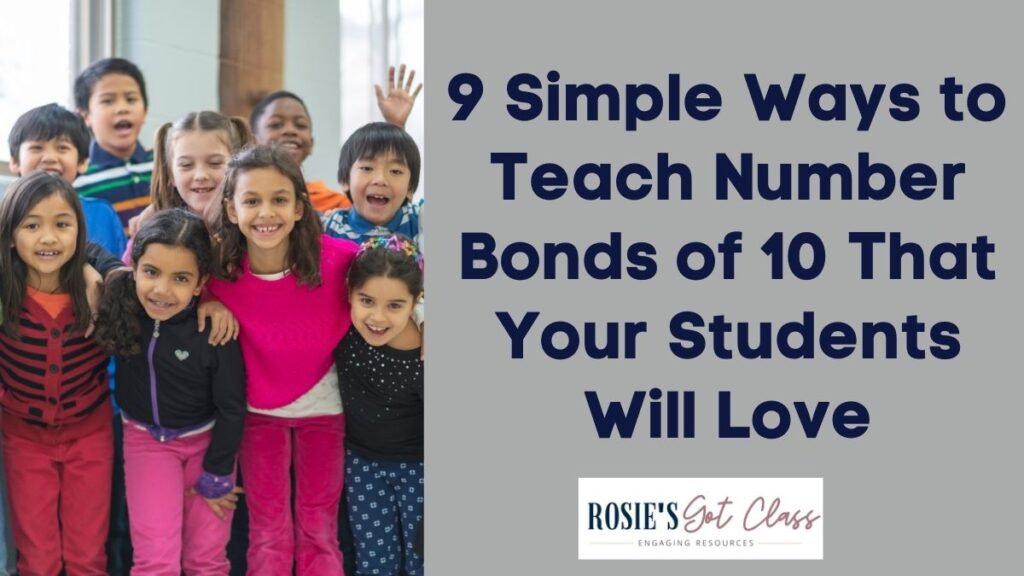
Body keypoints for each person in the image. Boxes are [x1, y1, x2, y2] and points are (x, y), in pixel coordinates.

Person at [206, 145, 358, 575]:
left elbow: (405, 272)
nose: (265, 212)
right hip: (257, 415)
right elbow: (146, 273)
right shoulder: (216, 272)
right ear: (232, 210)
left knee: (318, 528)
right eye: (251, 200)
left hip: (324, 411)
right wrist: (207, 303)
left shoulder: (340, 260)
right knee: (269, 530)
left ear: (298, 208)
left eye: (279, 199)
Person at [95, 209, 246, 575]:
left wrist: (219, 471)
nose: (162, 290)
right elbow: (92, 251)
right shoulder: (125, 300)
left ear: (199, 284)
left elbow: (232, 406)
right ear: (135, 268)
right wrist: (104, 270)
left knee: (206, 559)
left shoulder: (213, 328)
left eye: (180, 278)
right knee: (154, 559)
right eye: (150, 272)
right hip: (146, 442)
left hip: (208, 446)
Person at [0, 171, 115, 575]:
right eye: (32, 226)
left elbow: (116, 267)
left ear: (79, 234)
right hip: (24, 440)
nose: (48, 238)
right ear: (11, 236)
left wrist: (94, 268)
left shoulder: (98, 291)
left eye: (62, 225)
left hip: (90, 435)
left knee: (87, 556)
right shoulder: (5, 293)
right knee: (39, 558)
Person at [337, 236, 424, 576]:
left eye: (394, 306)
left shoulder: (425, 354)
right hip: (362, 464)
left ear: (415, 302)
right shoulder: (342, 330)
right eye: (367, 300)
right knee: (374, 563)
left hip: (421, 469)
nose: (377, 317)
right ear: (349, 294)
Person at [251, 64, 422, 214]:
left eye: (300, 125)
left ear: (311, 143)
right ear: (253, 141)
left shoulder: (336, 208)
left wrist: (395, 126)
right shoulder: (242, 198)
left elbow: (388, 216)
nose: (290, 130)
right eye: (276, 125)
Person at [8, 103, 126, 257]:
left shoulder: (102, 214)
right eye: (37, 148)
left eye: (62, 148)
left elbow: (119, 272)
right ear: (15, 162)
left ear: (83, 162)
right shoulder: (7, 214)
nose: (50, 158)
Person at [73, 57, 154, 235]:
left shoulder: (164, 165)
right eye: (108, 101)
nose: (121, 108)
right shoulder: (79, 181)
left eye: (131, 99)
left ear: (145, 111)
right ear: (86, 116)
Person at [323, 122, 422, 250]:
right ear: (345, 180)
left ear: (409, 188)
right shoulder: (329, 228)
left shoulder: (420, 221)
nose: (380, 180)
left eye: (395, 171)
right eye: (367, 168)